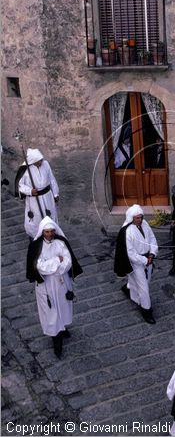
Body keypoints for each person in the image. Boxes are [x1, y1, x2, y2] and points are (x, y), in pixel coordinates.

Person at [26, 216, 83, 358]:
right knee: (51, 311)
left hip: (61, 281)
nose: (50, 234)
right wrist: (58, 260)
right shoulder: (36, 247)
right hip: (46, 285)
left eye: (52, 231)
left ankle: (62, 327)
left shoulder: (60, 242)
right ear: (42, 232)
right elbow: (40, 267)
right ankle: (56, 339)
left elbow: (68, 261)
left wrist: (56, 267)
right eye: (46, 232)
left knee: (63, 306)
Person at [114, 204, 158, 324]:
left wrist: (152, 254)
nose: (140, 220)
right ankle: (146, 310)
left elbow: (152, 239)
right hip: (137, 263)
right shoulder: (127, 232)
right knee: (144, 288)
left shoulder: (145, 224)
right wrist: (144, 260)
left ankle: (129, 289)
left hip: (148, 259)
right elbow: (130, 253)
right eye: (137, 218)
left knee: (146, 281)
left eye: (141, 217)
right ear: (132, 218)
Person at [16, 148, 59, 240]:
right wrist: (30, 191)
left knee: (50, 215)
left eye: (41, 160)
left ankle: (52, 235)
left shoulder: (46, 164)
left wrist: (55, 194)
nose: (40, 163)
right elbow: (20, 185)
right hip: (34, 199)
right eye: (38, 161)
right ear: (32, 161)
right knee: (36, 218)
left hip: (47, 196)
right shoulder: (25, 169)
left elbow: (51, 179)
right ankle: (36, 237)